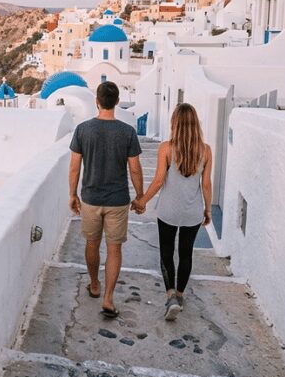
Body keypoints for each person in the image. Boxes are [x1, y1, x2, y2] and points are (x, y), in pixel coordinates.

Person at [69, 81, 144, 318]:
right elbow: (135, 169)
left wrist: (72, 194)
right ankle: (109, 298)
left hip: (91, 199)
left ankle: (94, 284)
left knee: (92, 244)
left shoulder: (82, 130)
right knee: (114, 249)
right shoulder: (127, 132)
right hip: (118, 201)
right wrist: (140, 196)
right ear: (117, 102)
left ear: (97, 102)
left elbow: (74, 167)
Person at [132, 103, 212, 321]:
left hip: (168, 211)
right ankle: (180, 295)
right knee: (186, 254)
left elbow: (159, 181)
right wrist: (207, 210)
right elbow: (206, 185)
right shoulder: (205, 150)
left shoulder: (166, 148)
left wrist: (141, 201)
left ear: (174, 123)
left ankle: (171, 297)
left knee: (166, 253)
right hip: (192, 212)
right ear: (195, 124)